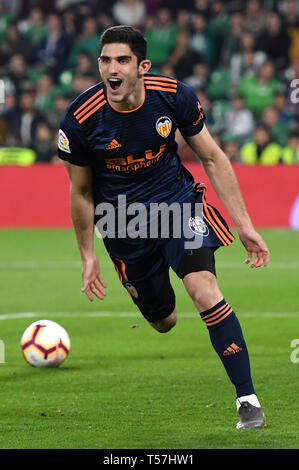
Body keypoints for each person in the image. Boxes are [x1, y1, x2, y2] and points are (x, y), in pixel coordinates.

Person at [58, 25, 270, 429]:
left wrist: (244, 225)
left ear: (142, 66)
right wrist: (87, 255)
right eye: (106, 60)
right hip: (122, 225)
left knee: (204, 291)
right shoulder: (81, 119)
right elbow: (80, 192)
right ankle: (158, 304)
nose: (111, 69)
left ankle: (247, 399)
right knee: (164, 321)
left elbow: (211, 156)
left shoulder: (172, 95)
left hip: (176, 206)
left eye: (122, 60)